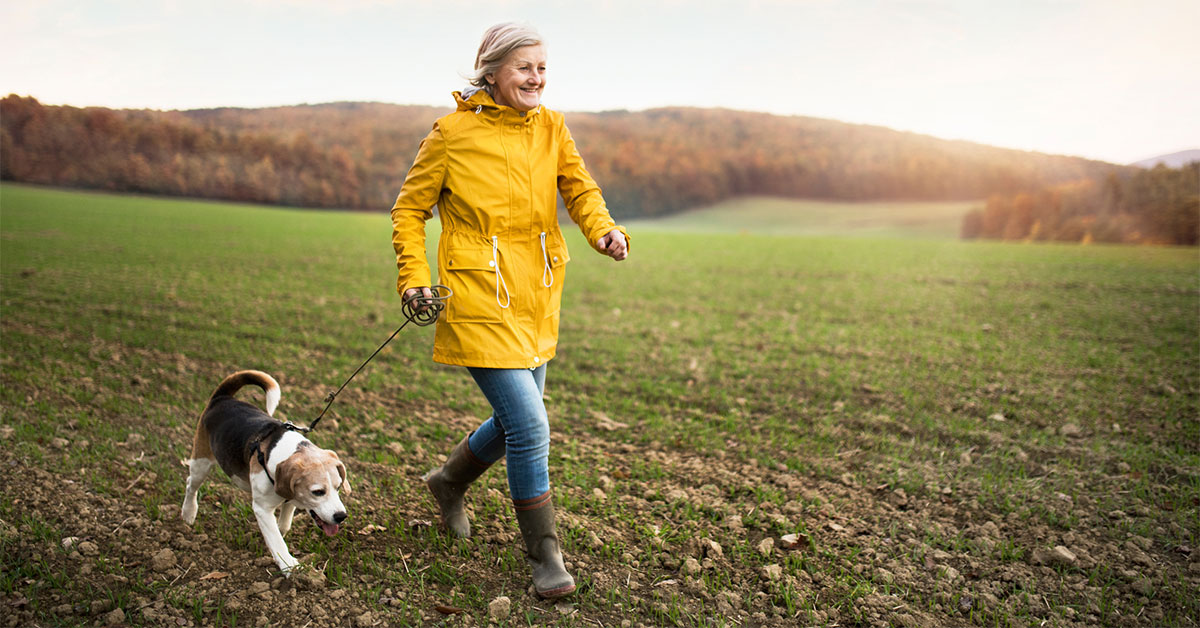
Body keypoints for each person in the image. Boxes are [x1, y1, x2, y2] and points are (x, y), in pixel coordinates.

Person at [389, 22, 629, 599]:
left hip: (537, 292)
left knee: (517, 421)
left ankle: (447, 483)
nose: (537, 78)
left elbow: (580, 189)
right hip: (475, 296)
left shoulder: (552, 126)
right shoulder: (450, 134)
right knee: (529, 425)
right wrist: (414, 278)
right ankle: (545, 556)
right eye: (525, 68)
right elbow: (408, 210)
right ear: (492, 71)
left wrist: (603, 230)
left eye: (542, 68)